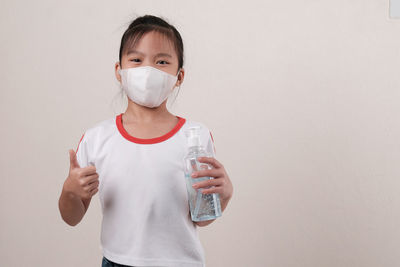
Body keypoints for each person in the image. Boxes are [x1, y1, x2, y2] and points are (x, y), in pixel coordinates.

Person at [58, 14, 233, 267]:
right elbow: (71, 217)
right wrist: (70, 191)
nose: (148, 70)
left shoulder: (195, 136)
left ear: (179, 76)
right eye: (136, 60)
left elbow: (201, 218)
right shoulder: (97, 138)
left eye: (161, 61)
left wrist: (224, 195)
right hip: (117, 262)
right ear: (119, 70)